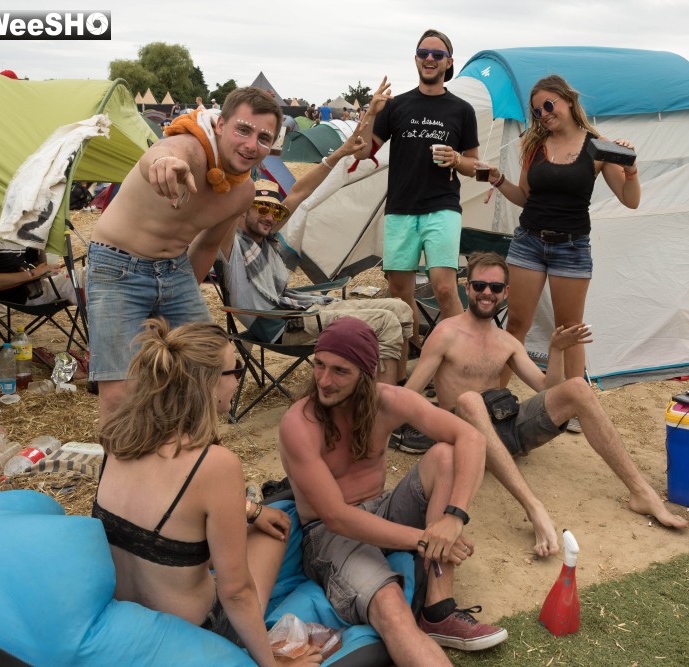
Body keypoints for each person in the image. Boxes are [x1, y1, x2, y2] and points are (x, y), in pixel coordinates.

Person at [405, 252, 686, 557]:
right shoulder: (446, 333)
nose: (487, 293)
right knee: (470, 401)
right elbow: (409, 395)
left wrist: (556, 350)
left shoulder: (507, 342)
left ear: (505, 292)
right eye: (479, 285)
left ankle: (641, 492)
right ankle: (533, 507)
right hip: (463, 437)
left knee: (577, 387)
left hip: (503, 429)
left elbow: (546, 388)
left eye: (495, 287)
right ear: (467, 287)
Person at [278, 317, 507, 664]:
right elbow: (336, 517)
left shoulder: (387, 401)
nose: (324, 380)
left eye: (340, 371)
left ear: (366, 375)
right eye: (319, 365)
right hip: (331, 535)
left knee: (445, 456)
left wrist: (454, 518)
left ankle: (438, 609)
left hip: (382, 509)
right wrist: (426, 539)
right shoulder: (300, 423)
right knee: (391, 606)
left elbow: (471, 438)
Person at [93, 319, 320, 666]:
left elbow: (164, 505)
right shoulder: (214, 464)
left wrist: (252, 510)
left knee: (240, 529)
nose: (239, 380)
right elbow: (236, 592)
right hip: (196, 634)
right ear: (209, 383)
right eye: (235, 369)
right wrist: (270, 664)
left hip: (128, 623)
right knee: (275, 534)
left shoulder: (118, 438)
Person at [88, 87, 283, 421]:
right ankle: (124, 456)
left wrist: (176, 304)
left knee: (217, 363)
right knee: (121, 393)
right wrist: (162, 163)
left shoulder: (242, 193)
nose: (252, 145)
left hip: (174, 270)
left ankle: (187, 444)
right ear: (220, 125)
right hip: (118, 266)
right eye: (243, 130)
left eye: (263, 138)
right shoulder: (190, 149)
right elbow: (163, 152)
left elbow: (207, 246)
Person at [481, 74, 641, 397]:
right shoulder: (534, 144)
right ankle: (494, 398)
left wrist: (631, 169)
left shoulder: (597, 146)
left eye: (548, 105)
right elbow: (525, 196)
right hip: (528, 242)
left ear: (568, 100)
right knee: (516, 324)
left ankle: (574, 403)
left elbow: (630, 199)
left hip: (571, 247)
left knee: (569, 331)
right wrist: (498, 179)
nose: (543, 114)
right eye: (537, 111)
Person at [354, 29, 480, 346]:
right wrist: (371, 113)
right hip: (401, 208)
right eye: (424, 53)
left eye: (437, 54)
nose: (430, 59)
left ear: (448, 62)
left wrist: (456, 159)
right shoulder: (396, 106)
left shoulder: (462, 110)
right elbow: (362, 152)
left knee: (444, 287)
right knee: (399, 292)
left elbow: (475, 166)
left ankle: (459, 357)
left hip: (442, 206)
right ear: (415, 59)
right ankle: (415, 351)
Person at [219, 179, 413, 384]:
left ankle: (400, 386)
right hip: (288, 327)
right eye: (262, 208)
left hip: (304, 310)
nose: (270, 217)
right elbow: (224, 212)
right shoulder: (232, 248)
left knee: (400, 308)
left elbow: (300, 192)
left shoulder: (266, 239)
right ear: (242, 210)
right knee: (386, 322)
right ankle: (385, 400)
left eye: (275, 212)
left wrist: (335, 160)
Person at [0, 234, 78, 306]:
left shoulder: (18, 231)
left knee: (83, 274)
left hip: (36, 286)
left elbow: (40, 264)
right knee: (81, 280)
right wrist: (32, 274)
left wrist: (41, 237)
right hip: (18, 293)